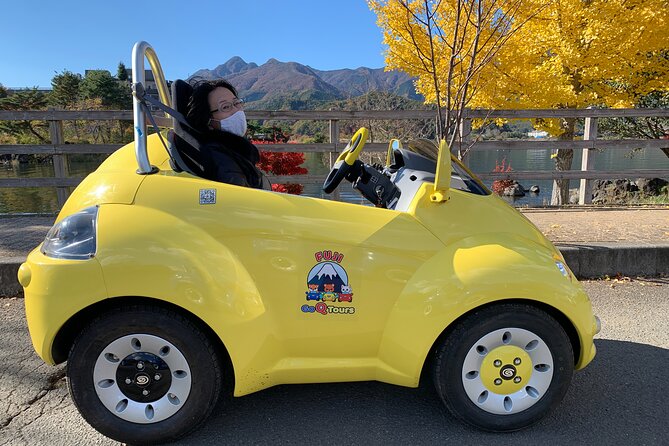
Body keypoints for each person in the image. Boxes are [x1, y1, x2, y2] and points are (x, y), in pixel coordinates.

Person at [186, 79, 267, 189]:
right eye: (225, 107)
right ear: (207, 120)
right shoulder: (219, 157)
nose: (236, 110)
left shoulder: (233, 149)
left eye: (236, 103)